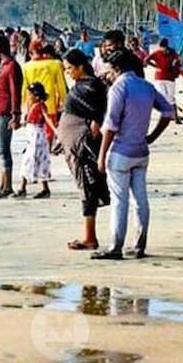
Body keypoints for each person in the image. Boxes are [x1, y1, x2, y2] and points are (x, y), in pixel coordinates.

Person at [93, 49, 174, 260]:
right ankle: (139, 245)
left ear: (117, 68)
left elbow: (110, 125)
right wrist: (152, 136)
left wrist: (101, 156)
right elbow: (168, 112)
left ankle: (115, 246)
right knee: (141, 200)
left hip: (120, 151)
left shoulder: (118, 88)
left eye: (109, 71)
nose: (107, 75)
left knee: (120, 201)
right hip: (141, 150)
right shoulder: (146, 86)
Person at [61, 48, 109, 251]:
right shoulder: (85, 85)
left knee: (88, 188)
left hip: (82, 144)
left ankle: (90, 237)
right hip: (76, 143)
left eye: (70, 68)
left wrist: (88, 137)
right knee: (86, 188)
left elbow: (98, 114)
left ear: (81, 67)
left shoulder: (92, 87)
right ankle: (89, 235)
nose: (68, 72)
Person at [0, 35, 23, 197]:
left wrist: (15, 114)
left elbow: (15, 91)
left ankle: (8, 186)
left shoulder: (11, 67)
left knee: (4, 149)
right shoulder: (3, 66)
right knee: (1, 149)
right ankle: (3, 184)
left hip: (6, 112)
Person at [14, 82, 57, 199]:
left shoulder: (40, 106)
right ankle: (44, 188)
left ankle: (23, 188)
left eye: (30, 95)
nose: (28, 97)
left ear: (36, 96)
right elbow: (28, 122)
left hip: (37, 139)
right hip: (32, 138)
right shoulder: (32, 107)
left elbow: (47, 118)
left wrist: (55, 130)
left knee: (30, 161)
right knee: (36, 162)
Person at [22, 40, 67, 144]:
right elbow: (61, 86)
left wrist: (24, 108)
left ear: (30, 52)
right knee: (49, 132)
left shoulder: (26, 67)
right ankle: (47, 151)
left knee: (34, 133)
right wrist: (64, 103)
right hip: (50, 104)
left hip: (32, 106)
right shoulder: (55, 64)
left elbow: (24, 89)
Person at [145, 38, 183, 124]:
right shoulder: (157, 52)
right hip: (159, 78)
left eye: (164, 48)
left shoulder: (173, 52)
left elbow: (180, 60)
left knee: (171, 98)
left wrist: (175, 64)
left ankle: (175, 117)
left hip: (170, 78)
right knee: (164, 96)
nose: (162, 50)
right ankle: (169, 115)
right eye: (161, 48)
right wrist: (156, 66)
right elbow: (146, 60)